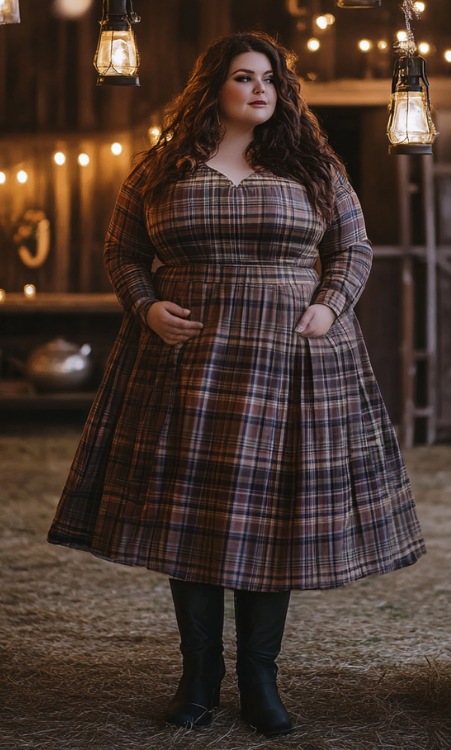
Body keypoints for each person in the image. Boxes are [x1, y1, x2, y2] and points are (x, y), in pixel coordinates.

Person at [47, 30, 426, 738]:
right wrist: (147, 306)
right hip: (186, 363)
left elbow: (354, 247)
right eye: (245, 77)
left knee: (268, 517)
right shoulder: (162, 168)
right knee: (192, 516)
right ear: (212, 89)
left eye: (270, 80)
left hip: (290, 360)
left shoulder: (313, 167)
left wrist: (329, 304)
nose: (261, 89)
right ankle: (198, 676)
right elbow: (122, 251)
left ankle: (259, 678)